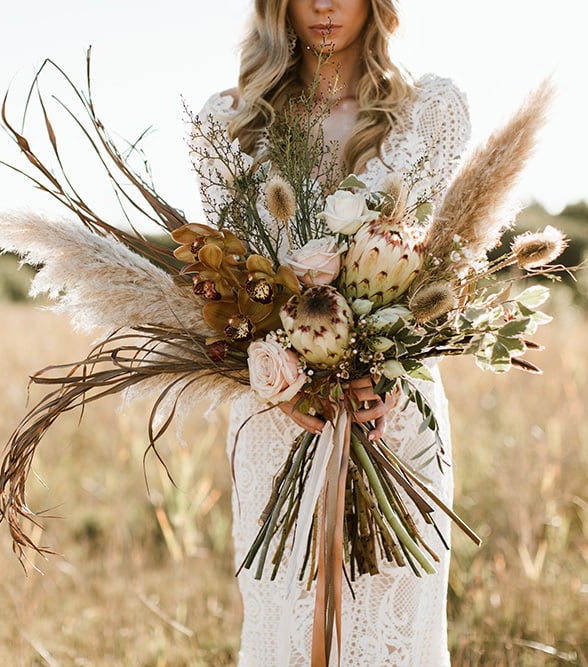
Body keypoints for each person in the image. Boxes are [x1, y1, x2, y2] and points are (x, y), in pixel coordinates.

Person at [191, 0, 471, 665]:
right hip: (276, 413)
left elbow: (440, 267)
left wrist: (384, 368)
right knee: (286, 625)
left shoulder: (428, 113)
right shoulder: (226, 125)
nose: (323, 4)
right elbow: (229, 282)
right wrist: (281, 378)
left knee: (389, 634)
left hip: (392, 414)